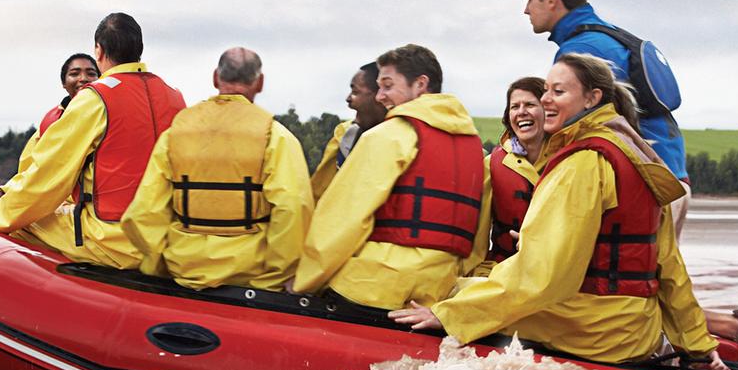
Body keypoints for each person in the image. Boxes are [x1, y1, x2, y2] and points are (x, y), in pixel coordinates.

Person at [390, 53, 721, 368]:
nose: (545, 99)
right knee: (473, 289)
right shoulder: (634, 156)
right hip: (634, 328)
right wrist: (697, 346)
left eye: (558, 91)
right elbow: (670, 268)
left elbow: (542, 275)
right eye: (546, 90)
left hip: (591, 329)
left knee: (450, 291)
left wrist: (449, 315)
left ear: (592, 99)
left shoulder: (582, 163)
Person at [292, 43, 489, 309]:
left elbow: (344, 218)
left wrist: (305, 281)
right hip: (435, 292)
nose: (380, 96)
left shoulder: (388, 135)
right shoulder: (474, 148)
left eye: (387, 85)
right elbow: (477, 235)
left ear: (420, 84)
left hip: (372, 286)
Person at [0, 11, 185, 266]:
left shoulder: (96, 99)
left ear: (98, 50)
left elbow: (49, 175)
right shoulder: (175, 96)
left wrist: (5, 209)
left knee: (22, 222)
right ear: (139, 49)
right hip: (167, 236)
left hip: (116, 241)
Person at [121, 47, 313, 290]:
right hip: (251, 273)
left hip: (183, 266)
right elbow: (294, 207)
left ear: (215, 78)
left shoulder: (175, 134)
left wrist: (159, 265)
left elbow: (144, 211)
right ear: (260, 82)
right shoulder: (276, 136)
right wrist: (275, 276)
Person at [523, 0, 689, 228]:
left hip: (648, 186)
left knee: (620, 267)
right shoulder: (611, 37)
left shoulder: (581, 51)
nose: (526, 10)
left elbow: (574, 129)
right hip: (671, 176)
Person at [0, 52, 100, 199]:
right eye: (74, 74)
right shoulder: (52, 121)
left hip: (94, 207)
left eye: (91, 73)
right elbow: (32, 166)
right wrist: (7, 189)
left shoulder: (107, 114)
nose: (83, 79)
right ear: (64, 84)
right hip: (57, 201)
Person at [486, 76, 545, 260]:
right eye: (514, 107)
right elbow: (478, 236)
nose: (521, 112)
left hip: (557, 273)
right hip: (503, 269)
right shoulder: (491, 164)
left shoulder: (571, 163)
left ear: (548, 111)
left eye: (530, 105)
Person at [311, 62, 386, 199]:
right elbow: (319, 195)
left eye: (355, 92)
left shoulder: (407, 143)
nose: (348, 99)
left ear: (381, 95)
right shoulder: (345, 137)